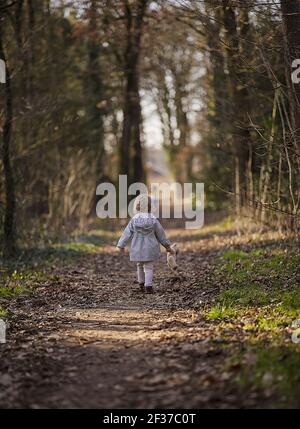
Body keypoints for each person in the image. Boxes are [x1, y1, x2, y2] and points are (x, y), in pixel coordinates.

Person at [116, 194, 174, 293]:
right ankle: (149, 286)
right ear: (150, 206)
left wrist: (121, 245)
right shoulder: (153, 219)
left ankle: (141, 283)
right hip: (150, 246)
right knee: (149, 266)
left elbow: (127, 233)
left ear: (137, 206)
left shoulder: (134, 220)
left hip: (137, 246)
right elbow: (161, 235)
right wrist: (167, 246)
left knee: (139, 264)